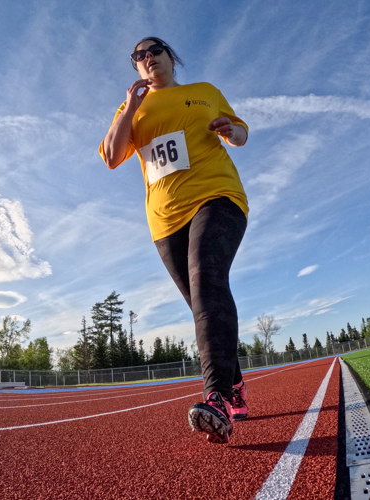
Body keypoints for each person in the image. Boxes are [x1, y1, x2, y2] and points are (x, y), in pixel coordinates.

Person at [99, 37, 249, 444]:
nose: (147, 58)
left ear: (170, 57)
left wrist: (230, 129)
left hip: (217, 196)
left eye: (154, 50)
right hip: (164, 221)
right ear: (136, 68)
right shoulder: (130, 109)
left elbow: (240, 135)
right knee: (201, 299)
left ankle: (216, 397)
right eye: (138, 56)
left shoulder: (203, 93)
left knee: (206, 279)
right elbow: (112, 156)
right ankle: (234, 383)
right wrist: (130, 106)